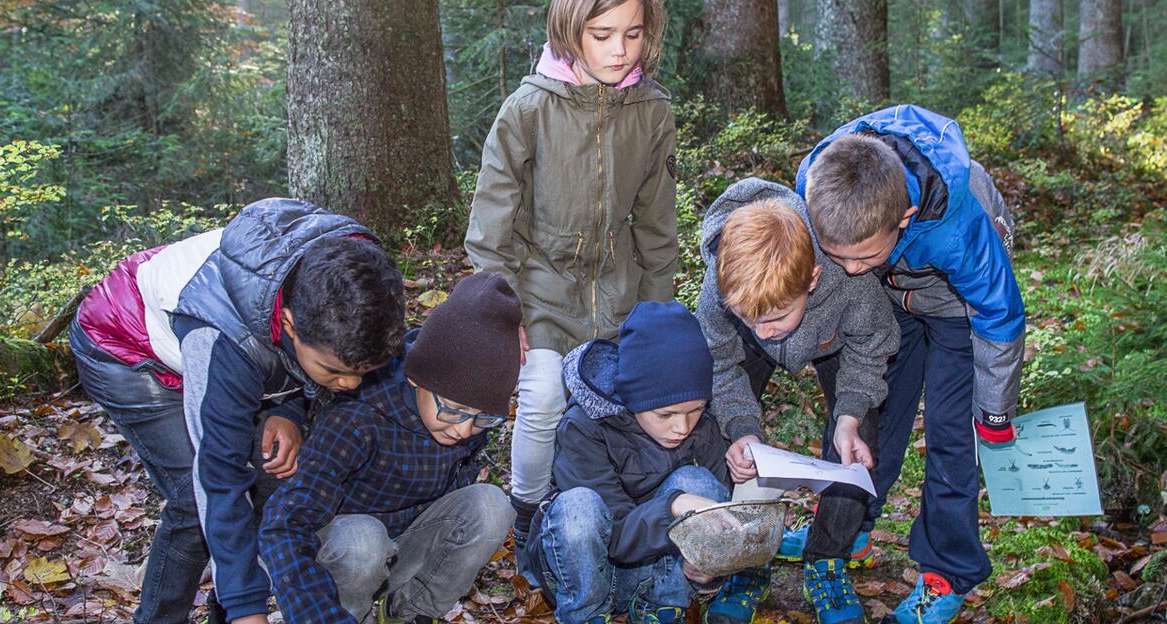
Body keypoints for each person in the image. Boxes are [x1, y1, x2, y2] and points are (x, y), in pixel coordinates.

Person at [69, 198, 406, 624]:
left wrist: (290, 408)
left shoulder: (360, 284)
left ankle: (224, 612)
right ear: (288, 323)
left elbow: (300, 360)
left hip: (243, 334)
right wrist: (249, 611)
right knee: (194, 504)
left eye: (364, 372)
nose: (351, 386)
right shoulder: (222, 341)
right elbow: (219, 476)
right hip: (125, 345)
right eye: (335, 371)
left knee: (272, 474)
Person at [795, 104, 1026, 624]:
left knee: (949, 434)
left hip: (955, 308)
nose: (849, 268)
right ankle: (849, 524)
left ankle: (947, 570)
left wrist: (994, 412)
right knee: (876, 412)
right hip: (888, 301)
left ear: (902, 219)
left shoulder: (959, 227)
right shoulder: (821, 182)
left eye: (862, 256)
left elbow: (999, 313)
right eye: (840, 256)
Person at [463, 0, 679, 545]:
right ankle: (528, 512)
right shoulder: (528, 108)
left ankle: (618, 514)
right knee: (541, 395)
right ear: (569, 29)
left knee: (625, 401)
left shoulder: (651, 110)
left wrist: (655, 315)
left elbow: (656, 225)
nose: (619, 49)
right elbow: (492, 226)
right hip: (539, 290)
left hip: (618, 292)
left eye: (632, 34)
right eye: (602, 34)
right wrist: (498, 312)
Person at [690, 179, 899, 624]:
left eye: (779, 315)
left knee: (860, 441)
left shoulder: (846, 276)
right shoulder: (721, 288)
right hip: (741, 348)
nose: (765, 330)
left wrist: (849, 413)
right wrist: (743, 429)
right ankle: (745, 558)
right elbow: (720, 364)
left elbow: (874, 342)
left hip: (836, 343)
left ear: (812, 278)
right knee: (721, 435)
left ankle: (828, 558)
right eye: (751, 319)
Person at [260, 272, 523, 624]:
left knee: (491, 506)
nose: (463, 429)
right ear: (417, 378)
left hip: (404, 546)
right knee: (363, 540)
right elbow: (285, 523)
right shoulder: (358, 417)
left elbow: (455, 492)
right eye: (453, 410)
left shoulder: (463, 417)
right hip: (343, 553)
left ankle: (408, 613)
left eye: (482, 418)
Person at [518, 301, 734, 624]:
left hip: (649, 575)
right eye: (665, 414)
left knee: (700, 484)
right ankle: (586, 616)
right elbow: (615, 537)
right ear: (633, 397)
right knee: (578, 506)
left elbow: (720, 525)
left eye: (696, 409)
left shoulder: (703, 430)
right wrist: (675, 506)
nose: (682, 426)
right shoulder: (584, 426)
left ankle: (661, 609)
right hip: (581, 571)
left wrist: (709, 567)